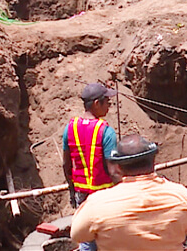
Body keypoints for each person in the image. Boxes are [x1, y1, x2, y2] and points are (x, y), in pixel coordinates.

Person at [70, 134, 187, 251]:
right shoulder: (181, 196)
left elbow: (77, 235)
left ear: (118, 167)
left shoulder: (97, 204)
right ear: (153, 161)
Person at [63, 83, 119, 251]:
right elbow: (113, 170)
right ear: (96, 103)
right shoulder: (106, 132)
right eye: (107, 101)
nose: (109, 105)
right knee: (109, 238)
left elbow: (66, 164)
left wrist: (72, 190)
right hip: (104, 193)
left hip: (82, 194)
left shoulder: (70, 128)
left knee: (87, 240)